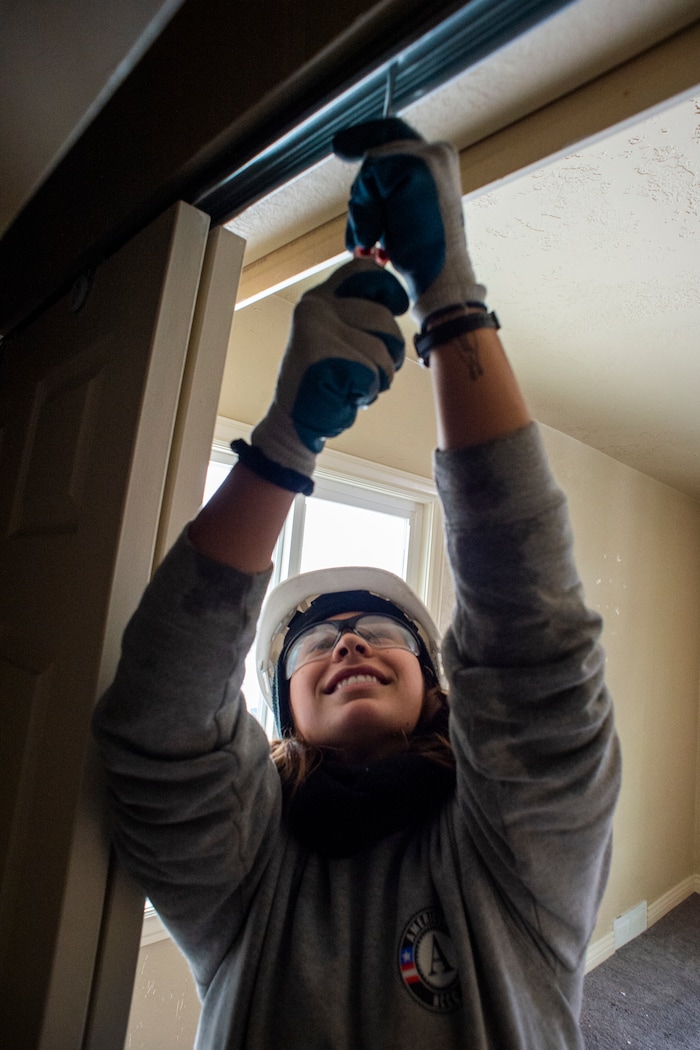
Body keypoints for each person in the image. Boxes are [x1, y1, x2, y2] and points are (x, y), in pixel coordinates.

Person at [93, 118, 621, 1049]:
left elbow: (533, 651)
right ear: (283, 712)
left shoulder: (513, 854)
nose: (345, 641)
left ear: (433, 685)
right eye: (312, 642)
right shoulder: (245, 868)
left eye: (379, 631)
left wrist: (451, 298)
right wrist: (281, 449)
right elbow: (159, 725)